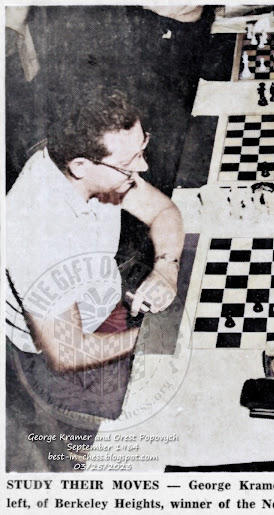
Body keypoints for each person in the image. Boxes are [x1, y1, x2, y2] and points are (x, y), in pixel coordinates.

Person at [5, 87, 184, 425]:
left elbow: (164, 212)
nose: (143, 167)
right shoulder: (34, 231)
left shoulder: (91, 164)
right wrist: (152, 337)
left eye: (142, 149)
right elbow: (66, 352)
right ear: (80, 166)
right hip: (53, 358)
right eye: (130, 162)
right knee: (164, 410)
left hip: (99, 305)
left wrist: (165, 269)